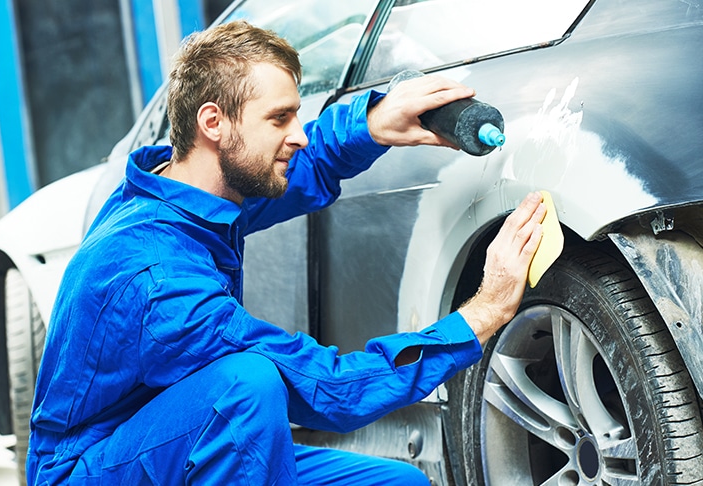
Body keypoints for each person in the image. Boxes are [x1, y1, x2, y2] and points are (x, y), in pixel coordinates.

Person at [27, 20, 545, 485]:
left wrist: (375, 122)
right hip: (94, 470)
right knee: (248, 387)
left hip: (171, 440)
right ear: (214, 123)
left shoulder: (184, 189)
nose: (297, 135)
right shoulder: (159, 279)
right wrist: (482, 313)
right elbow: (330, 389)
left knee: (398, 484)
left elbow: (298, 169)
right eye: (279, 119)